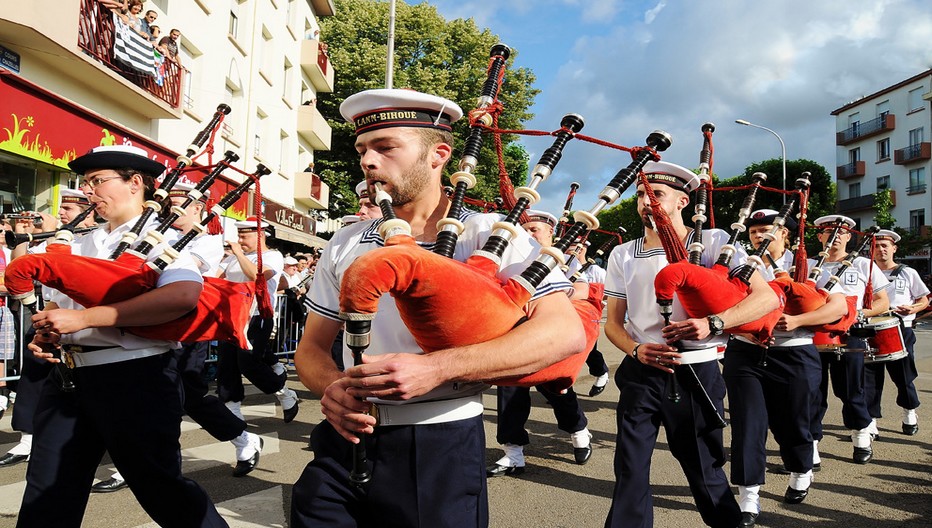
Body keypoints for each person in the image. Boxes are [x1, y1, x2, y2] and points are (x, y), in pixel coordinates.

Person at [291, 88, 583, 528]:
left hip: (437, 444)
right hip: (342, 441)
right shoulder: (345, 241)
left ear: (439, 155)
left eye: (386, 147)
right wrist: (331, 388)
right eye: (362, 150)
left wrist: (438, 368)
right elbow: (311, 346)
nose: (369, 161)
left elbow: (565, 334)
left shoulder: (491, 233)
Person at [16, 145, 227, 527]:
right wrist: (46, 334)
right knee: (47, 491)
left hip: (135, 377)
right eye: (85, 183)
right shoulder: (78, 242)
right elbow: (56, 311)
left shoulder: (165, 240)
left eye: (98, 181)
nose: (89, 192)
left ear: (135, 184)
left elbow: (181, 297)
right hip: (67, 380)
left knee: (160, 488)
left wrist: (85, 320)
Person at [603, 161, 780, 528]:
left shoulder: (716, 242)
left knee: (704, 467)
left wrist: (713, 323)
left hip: (696, 371)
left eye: (657, 195)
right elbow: (613, 324)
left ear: (683, 201)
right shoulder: (622, 254)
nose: (646, 202)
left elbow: (765, 300)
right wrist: (635, 350)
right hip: (642, 371)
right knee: (630, 468)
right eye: (640, 195)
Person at [723, 209, 848, 526]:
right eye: (754, 231)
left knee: (793, 423)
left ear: (785, 234)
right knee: (747, 424)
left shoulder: (807, 265)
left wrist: (798, 320)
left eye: (768, 230)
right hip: (746, 352)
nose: (759, 235)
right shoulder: (739, 264)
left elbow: (839, 306)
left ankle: (801, 468)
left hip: (794, 354)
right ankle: (749, 496)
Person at [487, 210, 592, 477]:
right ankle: (513, 453)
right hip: (512, 334)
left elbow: (582, 293)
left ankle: (578, 428)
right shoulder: (512, 258)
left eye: (536, 229)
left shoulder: (568, 261)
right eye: (527, 229)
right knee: (509, 391)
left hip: (551, 335)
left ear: (550, 233)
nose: (530, 234)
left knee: (557, 390)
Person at [0, 188, 98, 468]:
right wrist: (22, 234)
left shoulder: (91, 240)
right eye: (61, 209)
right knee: (33, 381)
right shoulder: (55, 239)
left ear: (87, 216)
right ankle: (28, 440)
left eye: (68, 210)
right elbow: (20, 268)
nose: (60, 214)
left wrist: (56, 235)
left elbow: (64, 271)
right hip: (48, 319)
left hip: (85, 327)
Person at [808, 215, 889, 466]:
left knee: (852, 389)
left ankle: (861, 435)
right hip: (813, 334)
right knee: (812, 392)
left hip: (850, 333)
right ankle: (811, 445)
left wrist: (857, 313)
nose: (834, 236)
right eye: (828, 231)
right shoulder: (807, 264)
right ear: (819, 236)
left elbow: (882, 302)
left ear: (848, 237)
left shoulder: (863, 264)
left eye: (840, 232)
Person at [216, 217, 299, 424]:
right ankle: (232, 408)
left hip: (257, 316)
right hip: (233, 317)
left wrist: (237, 253)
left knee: (248, 363)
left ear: (260, 235)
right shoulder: (234, 258)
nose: (240, 240)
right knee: (227, 366)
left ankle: (284, 393)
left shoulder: (273, 256)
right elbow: (215, 279)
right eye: (239, 236)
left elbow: (257, 275)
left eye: (245, 236)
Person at [865, 229, 928, 436]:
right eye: (877, 246)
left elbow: (924, 299)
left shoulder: (908, 272)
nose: (881, 250)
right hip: (870, 329)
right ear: (871, 250)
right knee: (869, 379)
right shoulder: (865, 273)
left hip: (901, 330)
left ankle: (909, 411)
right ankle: (871, 420)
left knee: (903, 376)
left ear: (894, 248)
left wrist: (914, 308)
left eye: (885, 245)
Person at [568, 240, 611, 397]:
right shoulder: (563, 268)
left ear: (585, 248)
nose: (575, 250)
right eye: (572, 246)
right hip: (566, 315)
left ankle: (601, 372)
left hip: (589, 317)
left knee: (588, 349)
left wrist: (600, 300)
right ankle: (563, 388)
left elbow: (610, 292)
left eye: (579, 247)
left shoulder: (596, 271)